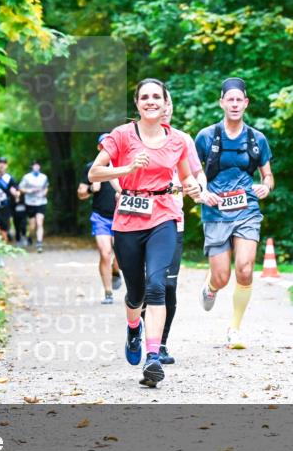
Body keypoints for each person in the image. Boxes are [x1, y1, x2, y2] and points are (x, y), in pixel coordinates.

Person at [88, 78, 202, 388]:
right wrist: (126, 169)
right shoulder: (121, 135)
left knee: (156, 285)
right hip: (128, 221)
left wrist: (193, 187)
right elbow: (94, 173)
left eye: (156, 97)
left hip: (164, 216)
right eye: (145, 97)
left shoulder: (177, 140)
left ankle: (153, 357)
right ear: (137, 104)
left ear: (165, 104)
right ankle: (132, 328)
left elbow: (186, 178)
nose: (151, 101)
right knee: (136, 294)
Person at [194, 77, 274, 347]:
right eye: (230, 99)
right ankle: (211, 285)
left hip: (247, 210)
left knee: (245, 268)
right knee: (222, 277)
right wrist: (202, 191)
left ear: (246, 103)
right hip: (215, 212)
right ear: (222, 103)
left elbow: (268, 175)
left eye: (239, 100)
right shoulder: (206, 137)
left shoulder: (257, 139)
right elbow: (191, 172)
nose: (235, 104)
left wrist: (265, 186)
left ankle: (234, 330)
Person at [150, 92, 203, 364]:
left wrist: (199, 188)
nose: (166, 107)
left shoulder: (183, 139)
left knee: (167, 286)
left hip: (173, 222)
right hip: (140, 223)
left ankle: (159, 345)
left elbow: (197, 173)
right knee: (143, 288)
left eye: (169, 102)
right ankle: (136, 328)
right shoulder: (134, 138)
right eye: (162, 102)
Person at [77, 134, 123, 304]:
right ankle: (108, 292)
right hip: (101, 217)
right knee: (105, 253)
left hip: (122, 217)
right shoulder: (91, 168)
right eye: (104, 145)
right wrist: (91, 189)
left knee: (122, 255)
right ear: (99, 148)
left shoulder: (123, 166)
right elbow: (80, 193)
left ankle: (116, 270)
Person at [19, 160, 49, 253]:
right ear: (32, 167)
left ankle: (39, 243)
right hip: (30, 203)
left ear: (40, 167)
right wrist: (28, 191)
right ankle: (29, 236)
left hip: (41, 202)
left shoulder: (44, 177)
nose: (36, 167)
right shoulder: (27, 177)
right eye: (34, 166)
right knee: (32, 226)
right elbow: (20, 188)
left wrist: (44, 193)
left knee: (40, 223)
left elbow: (46, 187)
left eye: (38, 165)